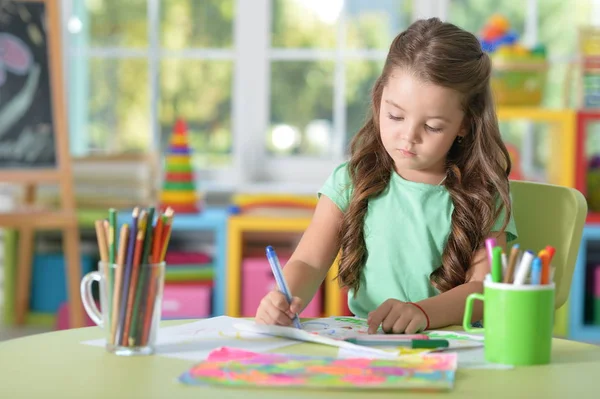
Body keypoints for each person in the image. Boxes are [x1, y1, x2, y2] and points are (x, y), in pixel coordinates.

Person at [255, 17, 518, 334]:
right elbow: (309, 262)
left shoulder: (483, 193)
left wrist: (423, 312)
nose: (408, 136)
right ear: (379, 99)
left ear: (465, 124)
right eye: (395, 115)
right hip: (371, 344)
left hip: (453, 343)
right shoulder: (350, 181)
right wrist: (283, 296)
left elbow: (485, 290)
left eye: (432, 126)